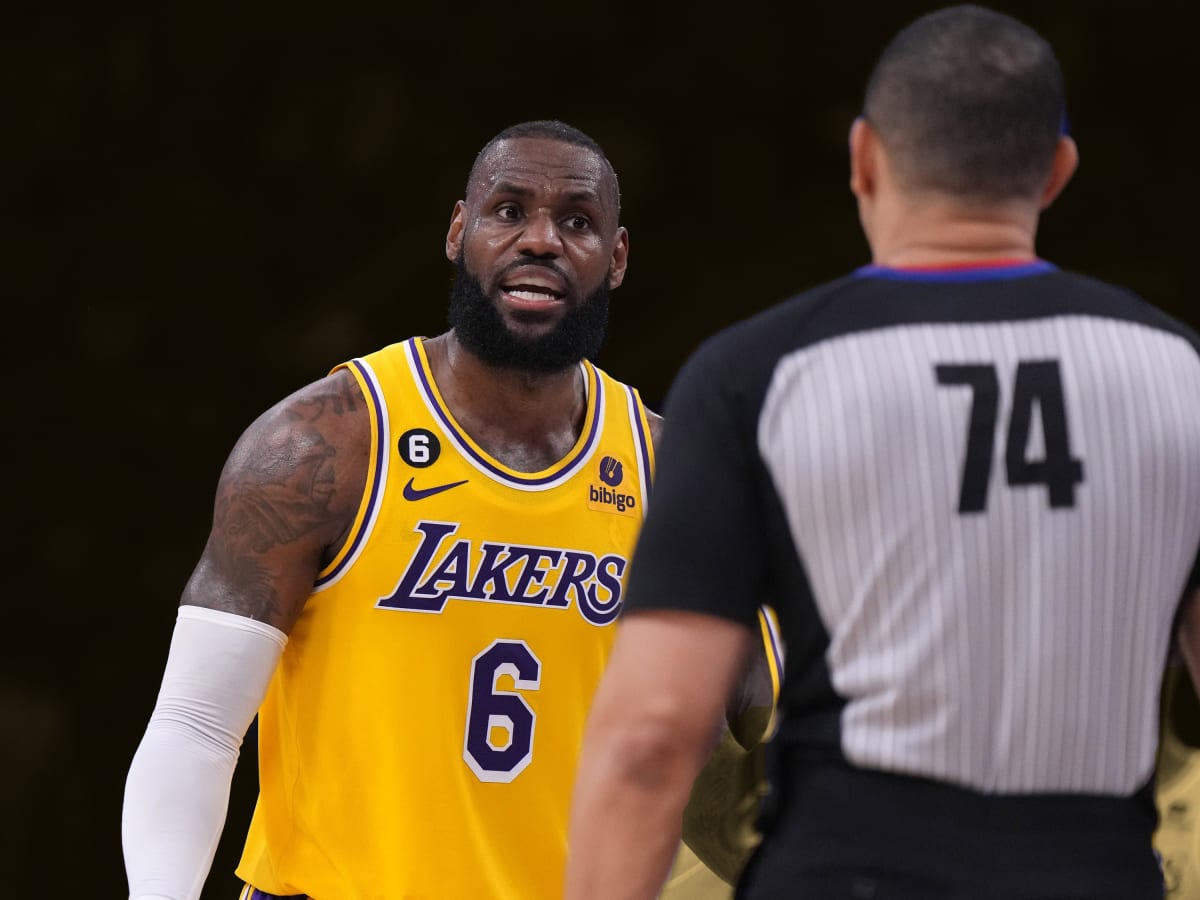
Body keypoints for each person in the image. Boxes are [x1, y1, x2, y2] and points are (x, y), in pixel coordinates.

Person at [564, 6, 1200, 899]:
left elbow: (651, 737)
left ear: (864, 157)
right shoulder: (1180, 375)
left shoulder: (755, 378)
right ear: (1056, 172)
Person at [121, 119, 776, 900]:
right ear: (458, 230)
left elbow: (778, 735)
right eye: (508, 210)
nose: (541, 239)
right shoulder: (326, 442)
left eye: (577, 221)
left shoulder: (672, 475)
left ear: (618, 258)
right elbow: (197, 724)